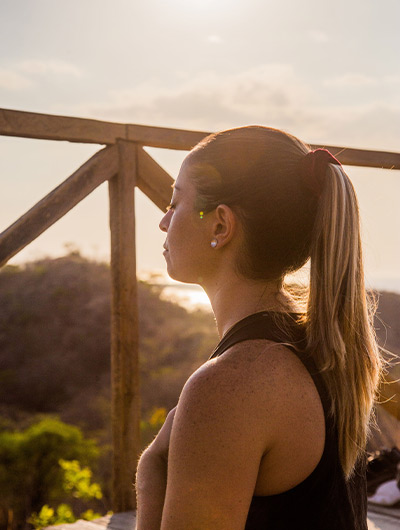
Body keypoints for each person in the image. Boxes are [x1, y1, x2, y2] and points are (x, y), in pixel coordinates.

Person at [135, 126, 382, 529]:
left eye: (175, 201)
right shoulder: (315, 345)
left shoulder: (233, 386)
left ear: (220, 226)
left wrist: (152, 471)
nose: (164, 222)